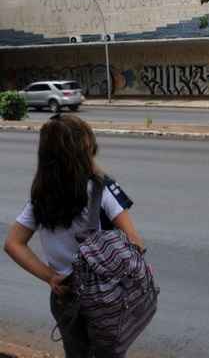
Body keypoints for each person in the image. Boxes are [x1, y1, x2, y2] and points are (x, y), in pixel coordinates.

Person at [3, 114, 145, 358]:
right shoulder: (100, 189)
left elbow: (13, 244)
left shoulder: (40, 197)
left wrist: (50, 277)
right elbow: (135, 243)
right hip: (104, 295)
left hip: (65, 296)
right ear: (85, 150)